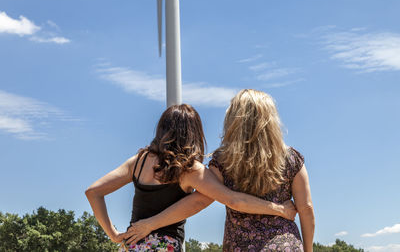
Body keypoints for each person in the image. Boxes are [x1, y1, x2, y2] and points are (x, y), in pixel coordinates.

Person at [85, 103, 297, 252]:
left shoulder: (138, 161)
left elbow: (93, 192)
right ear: (194, 133)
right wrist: (279, 209)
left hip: (132, 246)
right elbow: (233, 200)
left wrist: (113, 234)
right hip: (164, 246)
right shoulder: (190, 170)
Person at [126, 90, 315, 252]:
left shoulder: (223, 161)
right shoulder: (292, 159)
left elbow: (200, 199)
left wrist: (151, 223)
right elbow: (306, 209)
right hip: (286, 245)